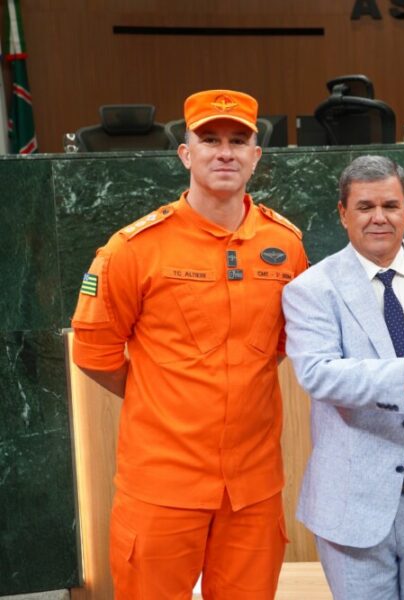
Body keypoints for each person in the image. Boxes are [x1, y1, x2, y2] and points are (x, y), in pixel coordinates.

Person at [71, 89, 308, 599]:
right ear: (185, 153)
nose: (225, 152)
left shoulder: (285, 243)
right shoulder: (134, 248)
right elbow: (94, 353)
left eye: (238, 141)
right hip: (162, 484)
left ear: (255, 156)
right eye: (210, 140)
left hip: (252, 487)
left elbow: (283, 343)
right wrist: (164, 399)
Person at [282, 155, 404, 600]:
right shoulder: (310, 288)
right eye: (365, 207)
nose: (379, 218)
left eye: (390, 206)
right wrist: (401, 376)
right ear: (343, 213)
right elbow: (317, 373)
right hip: (354, 505)